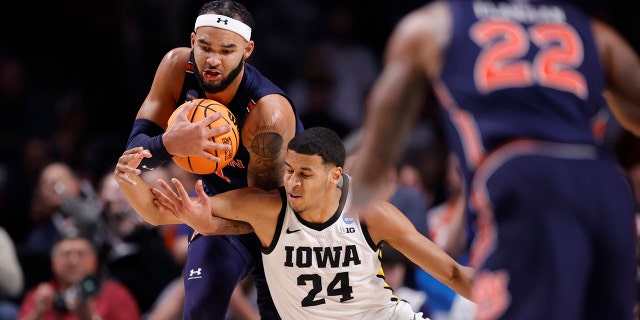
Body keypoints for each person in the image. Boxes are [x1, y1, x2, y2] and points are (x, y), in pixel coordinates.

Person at [350, 0, 640, 319]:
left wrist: (357, 197)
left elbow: (385, 130)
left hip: (523, 176)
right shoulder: (590, 30)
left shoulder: (433, 26)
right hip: (605, 180)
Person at [114, 126, 474, 319]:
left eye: (305, 173)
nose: (293, 182)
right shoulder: (266, 209)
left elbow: (454, 274)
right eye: (288, 170)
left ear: (335, 176)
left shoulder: (371, 214)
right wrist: (129, 180)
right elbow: (160, 212)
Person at [123, 0, 302, 318]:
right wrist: (168, 142)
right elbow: (132, 162)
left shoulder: (267, 114)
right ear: (192, 41)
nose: (213, 60)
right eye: (204, 47)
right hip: (219, 201)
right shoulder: (176, 67)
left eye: (227, 50)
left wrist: (210, 221)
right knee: (201, 308)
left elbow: (269, 212)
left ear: (247, 50)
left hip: (287, 220)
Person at [16, 234, 140, 320]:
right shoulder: (41, 295)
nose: (73, 261)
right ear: (53, 263)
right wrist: (37, 314)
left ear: (94, 260)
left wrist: (89, 317)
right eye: (66, 254)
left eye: (81, 254)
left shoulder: (116, 294)